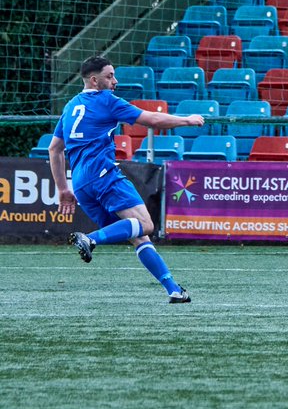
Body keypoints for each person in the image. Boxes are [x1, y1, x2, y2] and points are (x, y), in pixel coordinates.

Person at [52, 56, 204, 302]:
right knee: (146, 224)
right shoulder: (106, 100)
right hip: (103, 174)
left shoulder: (70, 106)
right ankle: (90, 239)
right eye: (109, 76)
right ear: (94, 80)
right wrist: (186, 120)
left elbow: (54, 149)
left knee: (137, 235)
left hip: (81, 184)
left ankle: (174, 290)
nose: (115, 81)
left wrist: (62, 189)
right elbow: (151, 120)